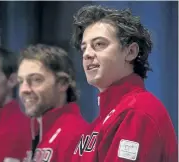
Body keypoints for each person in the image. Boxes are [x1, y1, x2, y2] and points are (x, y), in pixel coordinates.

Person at [70, 5, 178, 162]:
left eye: (99, 44)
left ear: (130, 52)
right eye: (84, 48)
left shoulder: (139, 112)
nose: (87, 54)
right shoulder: (99, 123)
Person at [17, 44, 88, 162]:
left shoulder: (77, 135)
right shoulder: (31, 135)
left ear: (62, 83)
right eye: (21, 81)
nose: (24, 89)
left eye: (35, 80)